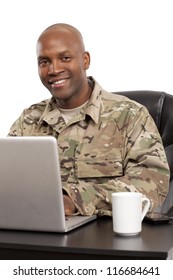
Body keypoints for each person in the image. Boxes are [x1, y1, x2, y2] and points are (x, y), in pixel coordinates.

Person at [8, 23, 170, 216]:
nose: (54, 69)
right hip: (40, 232)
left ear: (85, 60)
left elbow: (152, 183)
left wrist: (75, 201)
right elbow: (8, 180)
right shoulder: (29, 120)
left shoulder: (130, 115)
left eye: (65, 58)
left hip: (107, 238)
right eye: (44, 62)